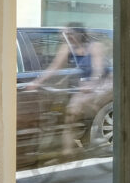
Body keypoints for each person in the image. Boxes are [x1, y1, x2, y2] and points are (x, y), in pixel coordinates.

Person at [25, 24, 109, 161]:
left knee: (82, 106)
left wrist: (92, 82)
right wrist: (37, 82)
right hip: (85, 84)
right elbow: (54, 67)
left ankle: (94, 133)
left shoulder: (94, 46)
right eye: (65, 35)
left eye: (70, 34)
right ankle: (68, 152)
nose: (67, 37)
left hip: (103, 82)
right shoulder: (67, 47)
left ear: (80, 34)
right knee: (70, 114)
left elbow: (98, 69)